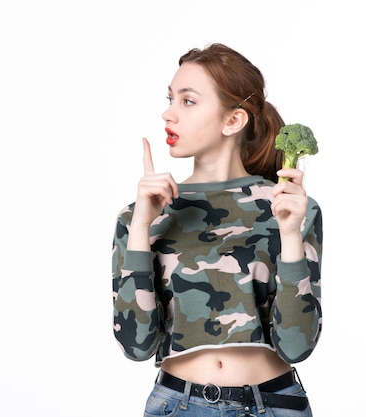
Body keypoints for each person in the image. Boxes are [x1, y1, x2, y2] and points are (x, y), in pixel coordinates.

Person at [111, 43, 322, 417]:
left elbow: (296, 346)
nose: (168, 113)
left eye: (187, 101)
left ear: (233, 121)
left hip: (274, 405)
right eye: (170, 99)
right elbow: (137, 345)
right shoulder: (139, 215)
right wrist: (142, 228)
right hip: (178, 405)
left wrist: (289, 235)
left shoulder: (288, 206)